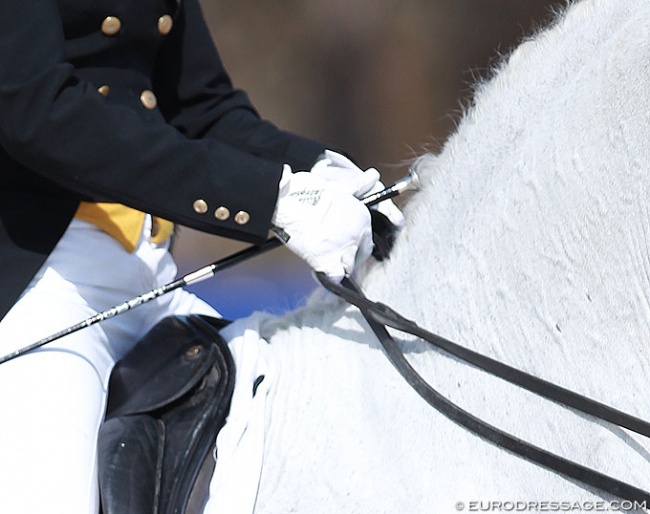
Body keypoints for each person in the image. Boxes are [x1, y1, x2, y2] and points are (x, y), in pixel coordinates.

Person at [0, 0, 403, 513]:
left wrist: (318, 169)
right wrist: (268, 199)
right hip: (37, 289)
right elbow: (38, 110)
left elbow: (200, 109)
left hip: (152, 278)